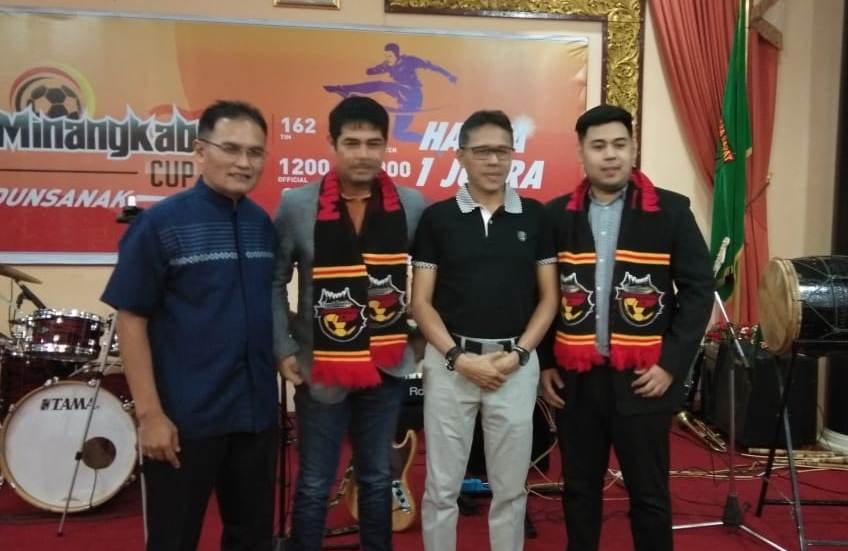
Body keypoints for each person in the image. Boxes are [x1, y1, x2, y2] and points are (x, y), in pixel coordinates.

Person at [101, 100, 278, 551]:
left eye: (255, 152)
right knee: (173, 540)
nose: (244, 163)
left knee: (252, 538)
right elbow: (131, 319)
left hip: (255, 416)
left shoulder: (261, 225)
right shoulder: (159, 225)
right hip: (184, 421)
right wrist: (150, 416)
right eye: (231, 149)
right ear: (200, 151)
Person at [540, 104, 714, 551]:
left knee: (649, 494)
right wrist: (544, 364)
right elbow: (544, 296)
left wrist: (671, 364)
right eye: (598, 146)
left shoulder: (671, 211)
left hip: (644, 377)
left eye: (619, 144)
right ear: (581, 153)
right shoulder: (556, 216)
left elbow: (699, 290)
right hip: (577, 379)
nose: (610, 155)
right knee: (579, 489)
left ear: (633, 148)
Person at [273, 96, 426, 551]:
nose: (363, 153)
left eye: (373, 143)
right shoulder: (297, 205)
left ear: (386, 146)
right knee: (315, 481)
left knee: (377, 477)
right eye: (352, 143)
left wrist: (418, 339)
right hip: (319, 365)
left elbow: (434, 277)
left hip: (386, 366)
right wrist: (282, 346)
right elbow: (273, 280)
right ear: (332, 143)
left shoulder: (412, 205)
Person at [411, 110, 559, 551]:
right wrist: (459, 359)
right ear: (461, 156)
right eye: (482, 151)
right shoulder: (437, 218)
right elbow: (421, 303)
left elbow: (549, 298)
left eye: (502, 151)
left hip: (515, 365)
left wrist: (520, 355)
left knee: (511, 490)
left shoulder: (535, 216)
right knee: (441, 488)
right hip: (450, 365)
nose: (494, 160)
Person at [324, 42, 457, 143]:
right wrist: (372, 70)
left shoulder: (409, 61)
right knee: (399, 134)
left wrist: (449, 75)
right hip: (402, 98)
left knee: (382, 85)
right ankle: (344, 89)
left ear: (397, 55)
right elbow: (373, 71)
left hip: (414, 95)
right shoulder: (387, 65)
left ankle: (345, 88)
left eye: (390, 56)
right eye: (386, 56)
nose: (388, 59)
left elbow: (431, 66)